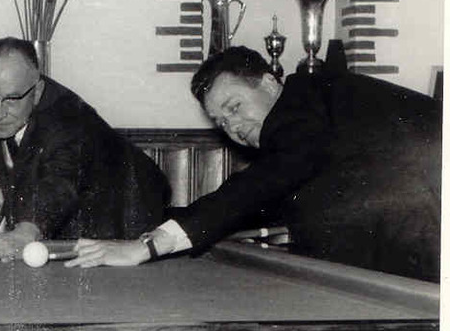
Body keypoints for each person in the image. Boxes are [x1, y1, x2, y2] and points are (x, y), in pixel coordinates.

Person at [66, 46, 441, 282]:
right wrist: (153, 227)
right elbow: (267, 197)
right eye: (221, 122)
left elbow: (258, 185)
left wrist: (148, 246)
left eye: (234, 107)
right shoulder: (315, 120)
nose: (233, 127)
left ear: (269, 84)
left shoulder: (302, 101)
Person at [0, 37, 169, 260]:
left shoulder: (69, 123)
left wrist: (26, 231)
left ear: (37, 92)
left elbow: (59, 183)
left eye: (12, 99)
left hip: (130, 202)